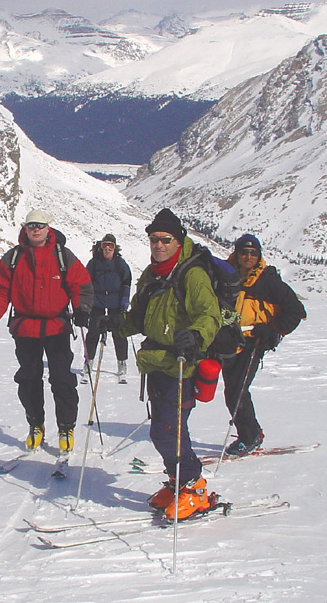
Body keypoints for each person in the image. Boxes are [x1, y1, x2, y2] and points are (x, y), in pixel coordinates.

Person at [113, 208, 222, 520]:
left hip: (182, 363)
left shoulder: (192, 274)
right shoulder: (152, 274)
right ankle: (179, 482)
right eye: (153, 239)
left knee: (168, 431)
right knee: (165, 429)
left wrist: (196, 336)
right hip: (156, 361)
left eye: (165, 239)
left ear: (178, 241)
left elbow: (209, 315)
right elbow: (139, 317)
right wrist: (116, 324)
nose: (158, 245)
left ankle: (195, 487)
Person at [0, 210, 93, 454]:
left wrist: (81, 309)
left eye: (40, 225)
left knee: (62, 379)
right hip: (25, 328)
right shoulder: (14, 257)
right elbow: (1, 290)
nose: (36, 230)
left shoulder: (62, 256)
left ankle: (66, 427)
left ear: (48, 227)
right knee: (29, 379)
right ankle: (35, 423)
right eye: (31, 225)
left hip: (57, 326)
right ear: (25, 228)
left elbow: (79, 284)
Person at [221, 233, 306, 456]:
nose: (248, 257)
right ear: (236, 253)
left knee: (236, 392)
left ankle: (250, 436)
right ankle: (251, 433)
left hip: (252, 342)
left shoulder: (268, 281)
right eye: (244, 252)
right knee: (233, 391)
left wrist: (272, 329)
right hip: (227, 341)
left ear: (259, 256)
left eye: (253, 253)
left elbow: (296, 312)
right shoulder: (225, 275)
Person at [84, 233, 132, 380]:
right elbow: (86, 281)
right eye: (104, 246)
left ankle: (122, 363)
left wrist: (125, 298)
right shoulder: (94, 263)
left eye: (110, 246)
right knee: (93, 332)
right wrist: (86, 300)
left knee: (119, 333)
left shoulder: (120, 263)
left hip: (115, 302)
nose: (107, 249)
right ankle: (88, 362)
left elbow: (126, 281)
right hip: (97, 301)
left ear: (115, 248)